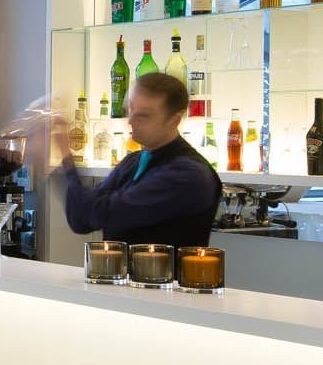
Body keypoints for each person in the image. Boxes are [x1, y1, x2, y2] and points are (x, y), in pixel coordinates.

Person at [49, 72, 221, 246]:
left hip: (168, 274)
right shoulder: (132, 162)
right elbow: (81, 220)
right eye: (131, 110)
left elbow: (103, 213)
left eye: (143, 115)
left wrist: (65, 155)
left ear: (174, 120)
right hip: (120, 273)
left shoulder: (188, 174)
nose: (130, 120)